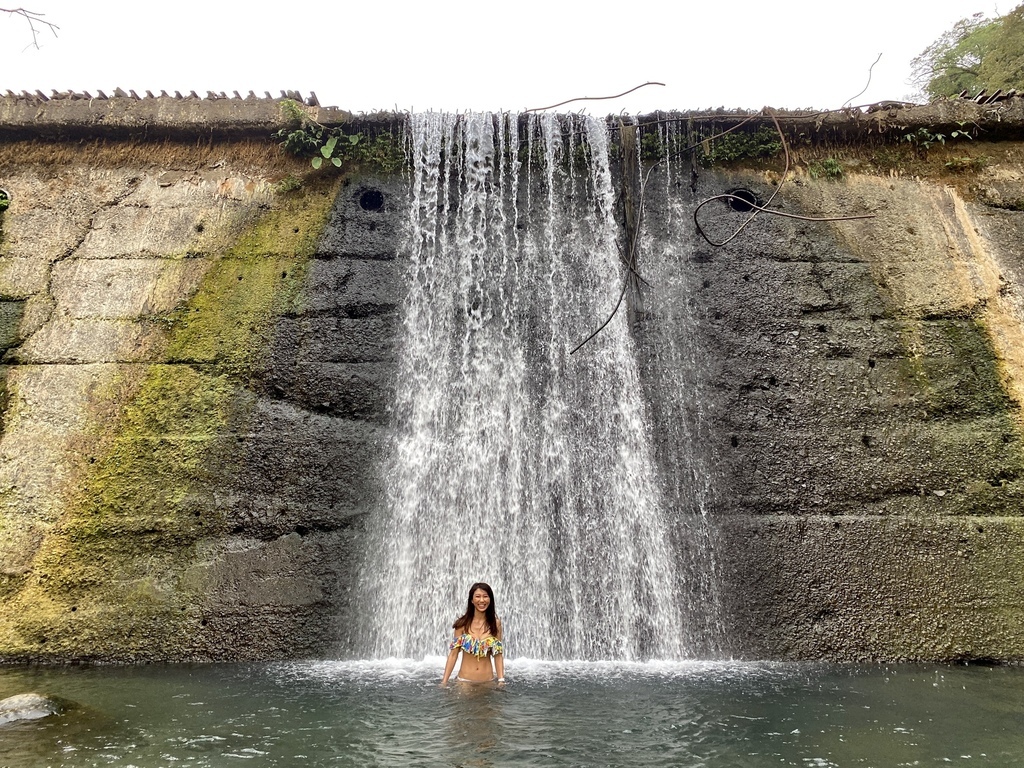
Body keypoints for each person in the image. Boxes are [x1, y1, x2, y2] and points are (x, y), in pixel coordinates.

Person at [440, 582, 505, 687]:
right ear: (471, 600)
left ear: (490, 600)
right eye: (478, 596)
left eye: (485, 596)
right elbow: (453, 654)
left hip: (488, 682)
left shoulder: (495, 624)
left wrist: (501, 680)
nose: (482, 600)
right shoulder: (462, 624)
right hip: (464, 682)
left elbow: (498, 654)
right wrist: (444, 682)